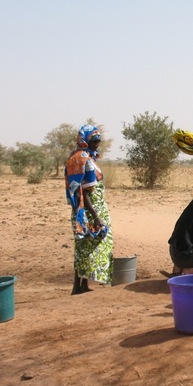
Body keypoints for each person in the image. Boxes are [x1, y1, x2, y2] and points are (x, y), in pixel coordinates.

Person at [64, 124, 113, 295]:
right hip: (86, 211)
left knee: (90, 247)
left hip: (95, 209)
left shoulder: (89, 157)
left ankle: (84, 284)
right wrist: (95, 216)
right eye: (93, 140)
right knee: (83, 246)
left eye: (98, 140)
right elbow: (81, 192)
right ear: (84, 140)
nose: (96, 144)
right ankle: (77, 286)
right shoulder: (79, 159)